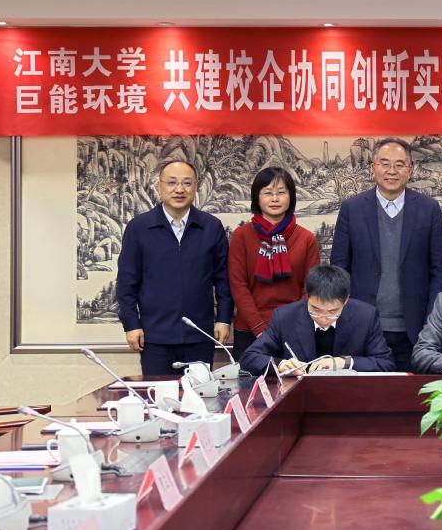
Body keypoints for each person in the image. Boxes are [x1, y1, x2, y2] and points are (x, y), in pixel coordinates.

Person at [330, 137, 442, 372]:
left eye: (399, 164)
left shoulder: (429, 209)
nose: (392, 171)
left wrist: (431, 319)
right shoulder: (352, 209)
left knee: (411, 390)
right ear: (372, 168)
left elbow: (439, 270)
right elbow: (339, 268)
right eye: (384, 163)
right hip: (363, 323)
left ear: (410, 169)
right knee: (366, 389)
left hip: (415, 326)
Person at [116, 159, 233, 375]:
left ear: (195, 187)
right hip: (154, 339)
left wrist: (224, 319)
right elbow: (126, 283)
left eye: (187, 183)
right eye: (171, 182)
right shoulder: (139, 228)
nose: (179, 189)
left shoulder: (211, 227)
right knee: (159, 393)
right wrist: (131, 324)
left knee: (200, 394)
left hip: (200, 335)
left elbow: (223, 279)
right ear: (158, 186)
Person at [228, 167, 320, 361]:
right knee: (250, 380)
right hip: (249, 329)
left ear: (291, 197)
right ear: (257, 197)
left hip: (293, 328)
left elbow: (310, 288)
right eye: (268, 193)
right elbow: (238, 286)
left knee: (294, 380)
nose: (275, 199)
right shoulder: (241, 236)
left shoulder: (306, 238)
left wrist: (290, 326)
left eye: (281, 192)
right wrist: (259, 328)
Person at [240, 265, 394, 376]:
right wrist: (281, 364)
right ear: (307, 296)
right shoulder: (285, 317)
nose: (323, 318)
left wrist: (345, 363)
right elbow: (249, 358)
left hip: (350, 394)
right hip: (299, 397)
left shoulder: (365, 316)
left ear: (346, 300)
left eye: (332, 312)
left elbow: (386, 363)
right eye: (315, 309)